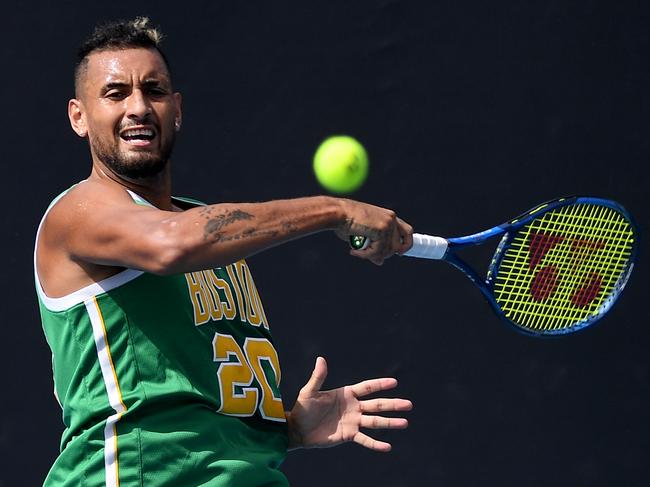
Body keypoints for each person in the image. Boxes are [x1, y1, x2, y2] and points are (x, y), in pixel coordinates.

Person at [35, 17, 413, 487]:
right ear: (79, 116)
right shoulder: (79, 212)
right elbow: (170, 244)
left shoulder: (207, 230)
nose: (138, 107)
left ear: (177, 109)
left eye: (153, 90)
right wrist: (335, 210)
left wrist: (286, 427)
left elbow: (190, 391)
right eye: (115, 93)